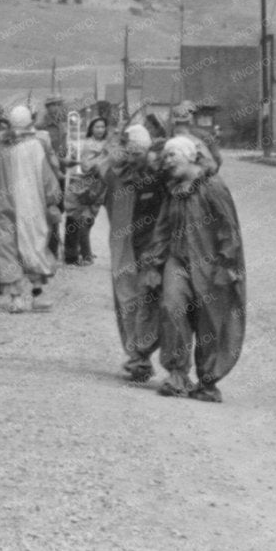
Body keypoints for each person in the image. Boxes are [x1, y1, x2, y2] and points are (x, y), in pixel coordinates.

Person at [144, 134, 247, 402]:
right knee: (171, 307)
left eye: (172, 156)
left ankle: (208, 380)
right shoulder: (174, 189)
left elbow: (228, 228)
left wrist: (227, 264)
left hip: (209, 264)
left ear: (189, 156)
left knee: (209, 321)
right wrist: (154, 264)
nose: (167, 162)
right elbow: (163, 230)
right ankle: (177, 374)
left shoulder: (212, 187)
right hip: (177, 261)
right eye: (165, 157)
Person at [102, 120, 167, 383]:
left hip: (154, 247)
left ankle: (145, 353)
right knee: (126, 299)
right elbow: (98, 165)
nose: (134, 159)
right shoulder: (116, 173)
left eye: (139, 154)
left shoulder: (159, 173)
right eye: (131, 153)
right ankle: (136, 356)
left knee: (153, 300)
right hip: (124, 246)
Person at [0, 104, 62, 313]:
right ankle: (37, 294)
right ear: (30, 123)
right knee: (33, 245)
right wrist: (53, 200)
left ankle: (16, 299)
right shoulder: (35, 146)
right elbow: (48, 180)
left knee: (7, 249)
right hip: (32, 207)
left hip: (3, 206)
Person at [63, 115, 114, 264]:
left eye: (102, 127)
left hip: (99, 186)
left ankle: (84, 250)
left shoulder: (107, 144)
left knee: (90, 218)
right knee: (82, 218)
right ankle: (85, 254)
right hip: (84, 185)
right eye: (97, 126)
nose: (100, 129)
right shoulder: (84, 144)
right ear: (91, 128)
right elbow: (84, 166)